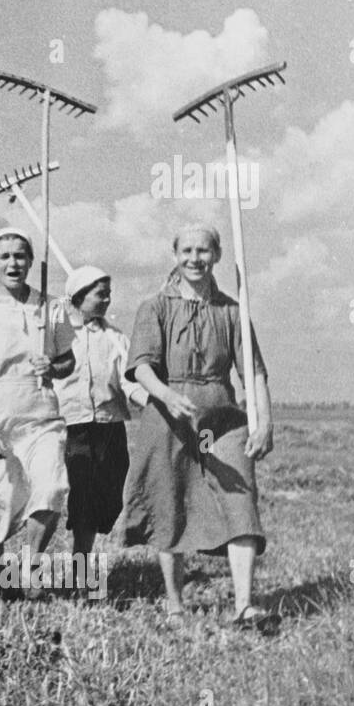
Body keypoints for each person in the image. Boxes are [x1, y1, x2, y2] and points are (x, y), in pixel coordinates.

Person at [123, 224, 275, 626]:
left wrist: (265, 423)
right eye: (187, 250)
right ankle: (175, 605)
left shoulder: (232, 312)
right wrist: (168, 396)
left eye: (203, 251)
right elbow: (140, 367)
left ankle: (244, 605)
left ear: (218, 255)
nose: (195, 258)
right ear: (175, 255)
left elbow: (254, 373)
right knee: (169, 504)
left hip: (222, 422)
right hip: (168, 420)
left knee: (240, 500)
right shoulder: (154, 307)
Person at [0, 228, 75, 601]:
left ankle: (30, 567)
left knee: (52, 488)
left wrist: (53, 365)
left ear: (31, 262)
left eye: (20, 256)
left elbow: (68, 360)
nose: (13, 263)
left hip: (42, 418)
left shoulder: (51, 307)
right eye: (5, 256)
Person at [54, 265, 146, 589]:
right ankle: (81, 577)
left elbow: (128, 381)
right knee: (84, 501)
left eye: (109, 293)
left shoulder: (116, 337)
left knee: (108, 501)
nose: (107, 299)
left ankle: (81, 567)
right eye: (100, 293)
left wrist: (150, 400)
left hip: (109, 429)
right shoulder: (58, 335)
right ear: (79, 296)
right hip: (72, 428)